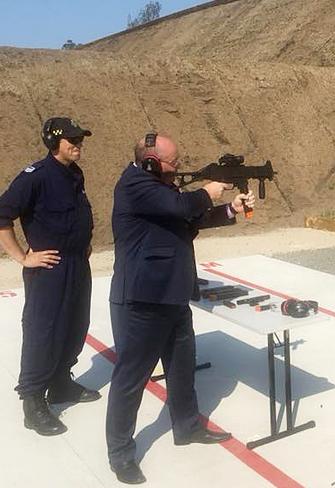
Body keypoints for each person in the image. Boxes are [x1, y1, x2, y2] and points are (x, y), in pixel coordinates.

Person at [106, 133, 255, 484]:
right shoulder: (135, 185)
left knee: (182, 367)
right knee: (131, 379)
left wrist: (230, 209)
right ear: (151, 161)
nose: (177, 169)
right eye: (173, 163)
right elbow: (183, 207)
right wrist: (208, 191)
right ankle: (120, 454)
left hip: (173, 293)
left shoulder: (160, 186)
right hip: (143, 299)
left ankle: (186, 427)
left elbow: (189, 221)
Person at [0, 117, 101, 437]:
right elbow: (3, 215)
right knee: (43, 331)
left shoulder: (74, 174)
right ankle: (32, 400)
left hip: (76, 265)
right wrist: (22, 257)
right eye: (71, 139)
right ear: (53, 143)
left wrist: (82, 245)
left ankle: (60, 384)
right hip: (48, 269)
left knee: (75, 325)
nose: (78, 144)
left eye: (79, 139)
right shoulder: (36, 177)